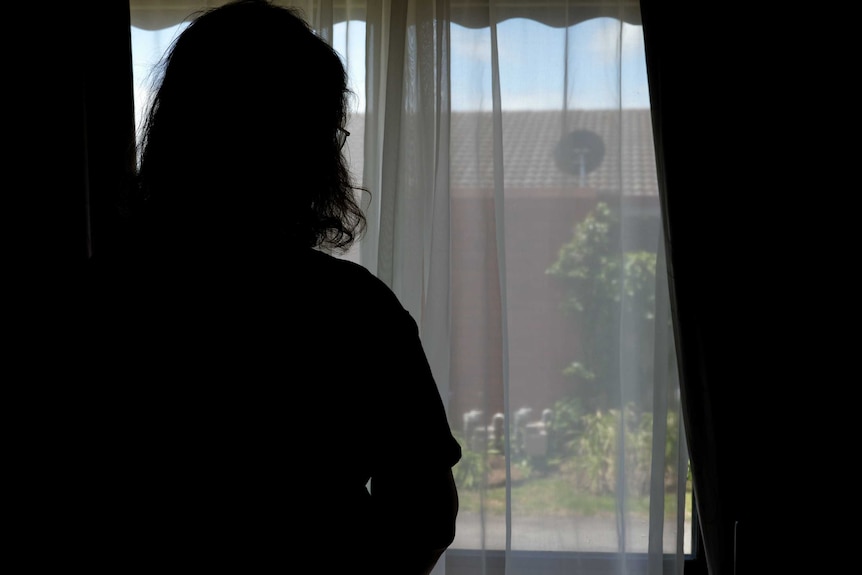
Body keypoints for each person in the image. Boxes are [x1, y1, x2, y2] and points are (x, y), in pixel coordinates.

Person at [58, 1, 461, 572]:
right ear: (307, 148)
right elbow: (425, 512)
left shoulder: (94, 303)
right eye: (328, 129)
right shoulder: (355, 309)